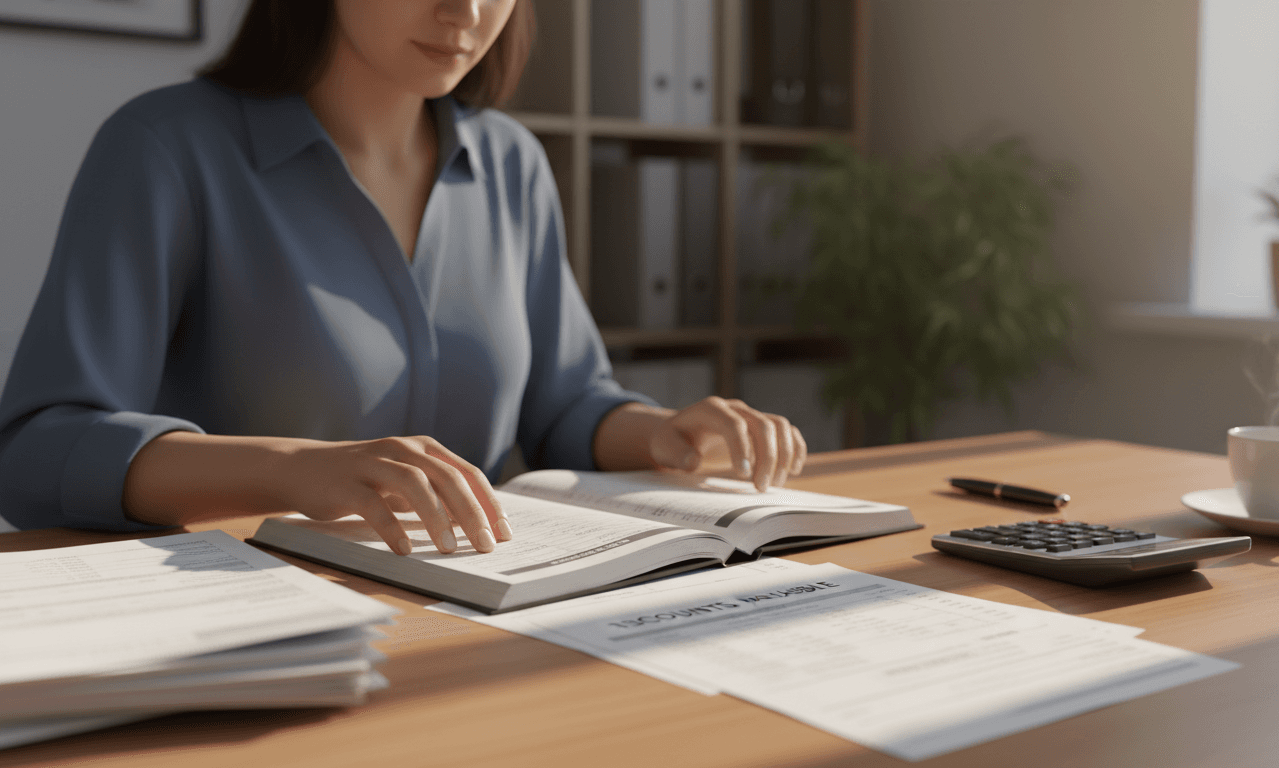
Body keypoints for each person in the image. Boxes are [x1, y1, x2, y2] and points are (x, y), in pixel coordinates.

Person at [0, 0, 807, 556]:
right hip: (257, 628)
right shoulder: (165, 149)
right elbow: (38, 451)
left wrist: (663, 433)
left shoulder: (511, 163)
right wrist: (294, 471)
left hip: (482, 615)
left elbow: (565, 405)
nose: (466, 11)